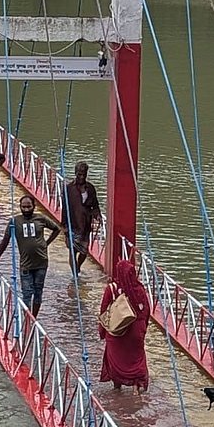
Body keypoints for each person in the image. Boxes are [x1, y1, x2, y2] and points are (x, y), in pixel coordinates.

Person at [0, 194, 60, 317]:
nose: (26, 210)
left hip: (41, 263)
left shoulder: (41, 219)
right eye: (23, 207)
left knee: (38, 293)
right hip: (26, 265)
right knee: (27, 294)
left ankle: (34, 318)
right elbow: (5, 241)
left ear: (34, 206)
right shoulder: (15, 221)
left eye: (29, 207)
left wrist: (46, 243)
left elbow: (57, 229)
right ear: (20, 207)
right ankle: (28, 319)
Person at [98, 259, 151, 392]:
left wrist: (103, 331)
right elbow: (146, 310)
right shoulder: (139, 289)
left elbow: (104, 310)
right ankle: (136, 386)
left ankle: (117, 387)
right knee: (136, 358)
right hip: (136, 333)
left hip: (118, 332)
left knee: (116, 358)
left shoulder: (112, 289)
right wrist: (143, 329)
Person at [61, 161, 101, 276]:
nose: (81, 177)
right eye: (79, 174)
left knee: (84, 251)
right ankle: (75, 276)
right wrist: (64, 226)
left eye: (84, 174)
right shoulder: (69, 189)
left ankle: (78, 267)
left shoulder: (90, 188)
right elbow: (65, 208)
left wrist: (97, 215)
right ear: (75, 173)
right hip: (72, 225)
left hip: (85, 226)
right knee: (73, 252)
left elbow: (95, 205)